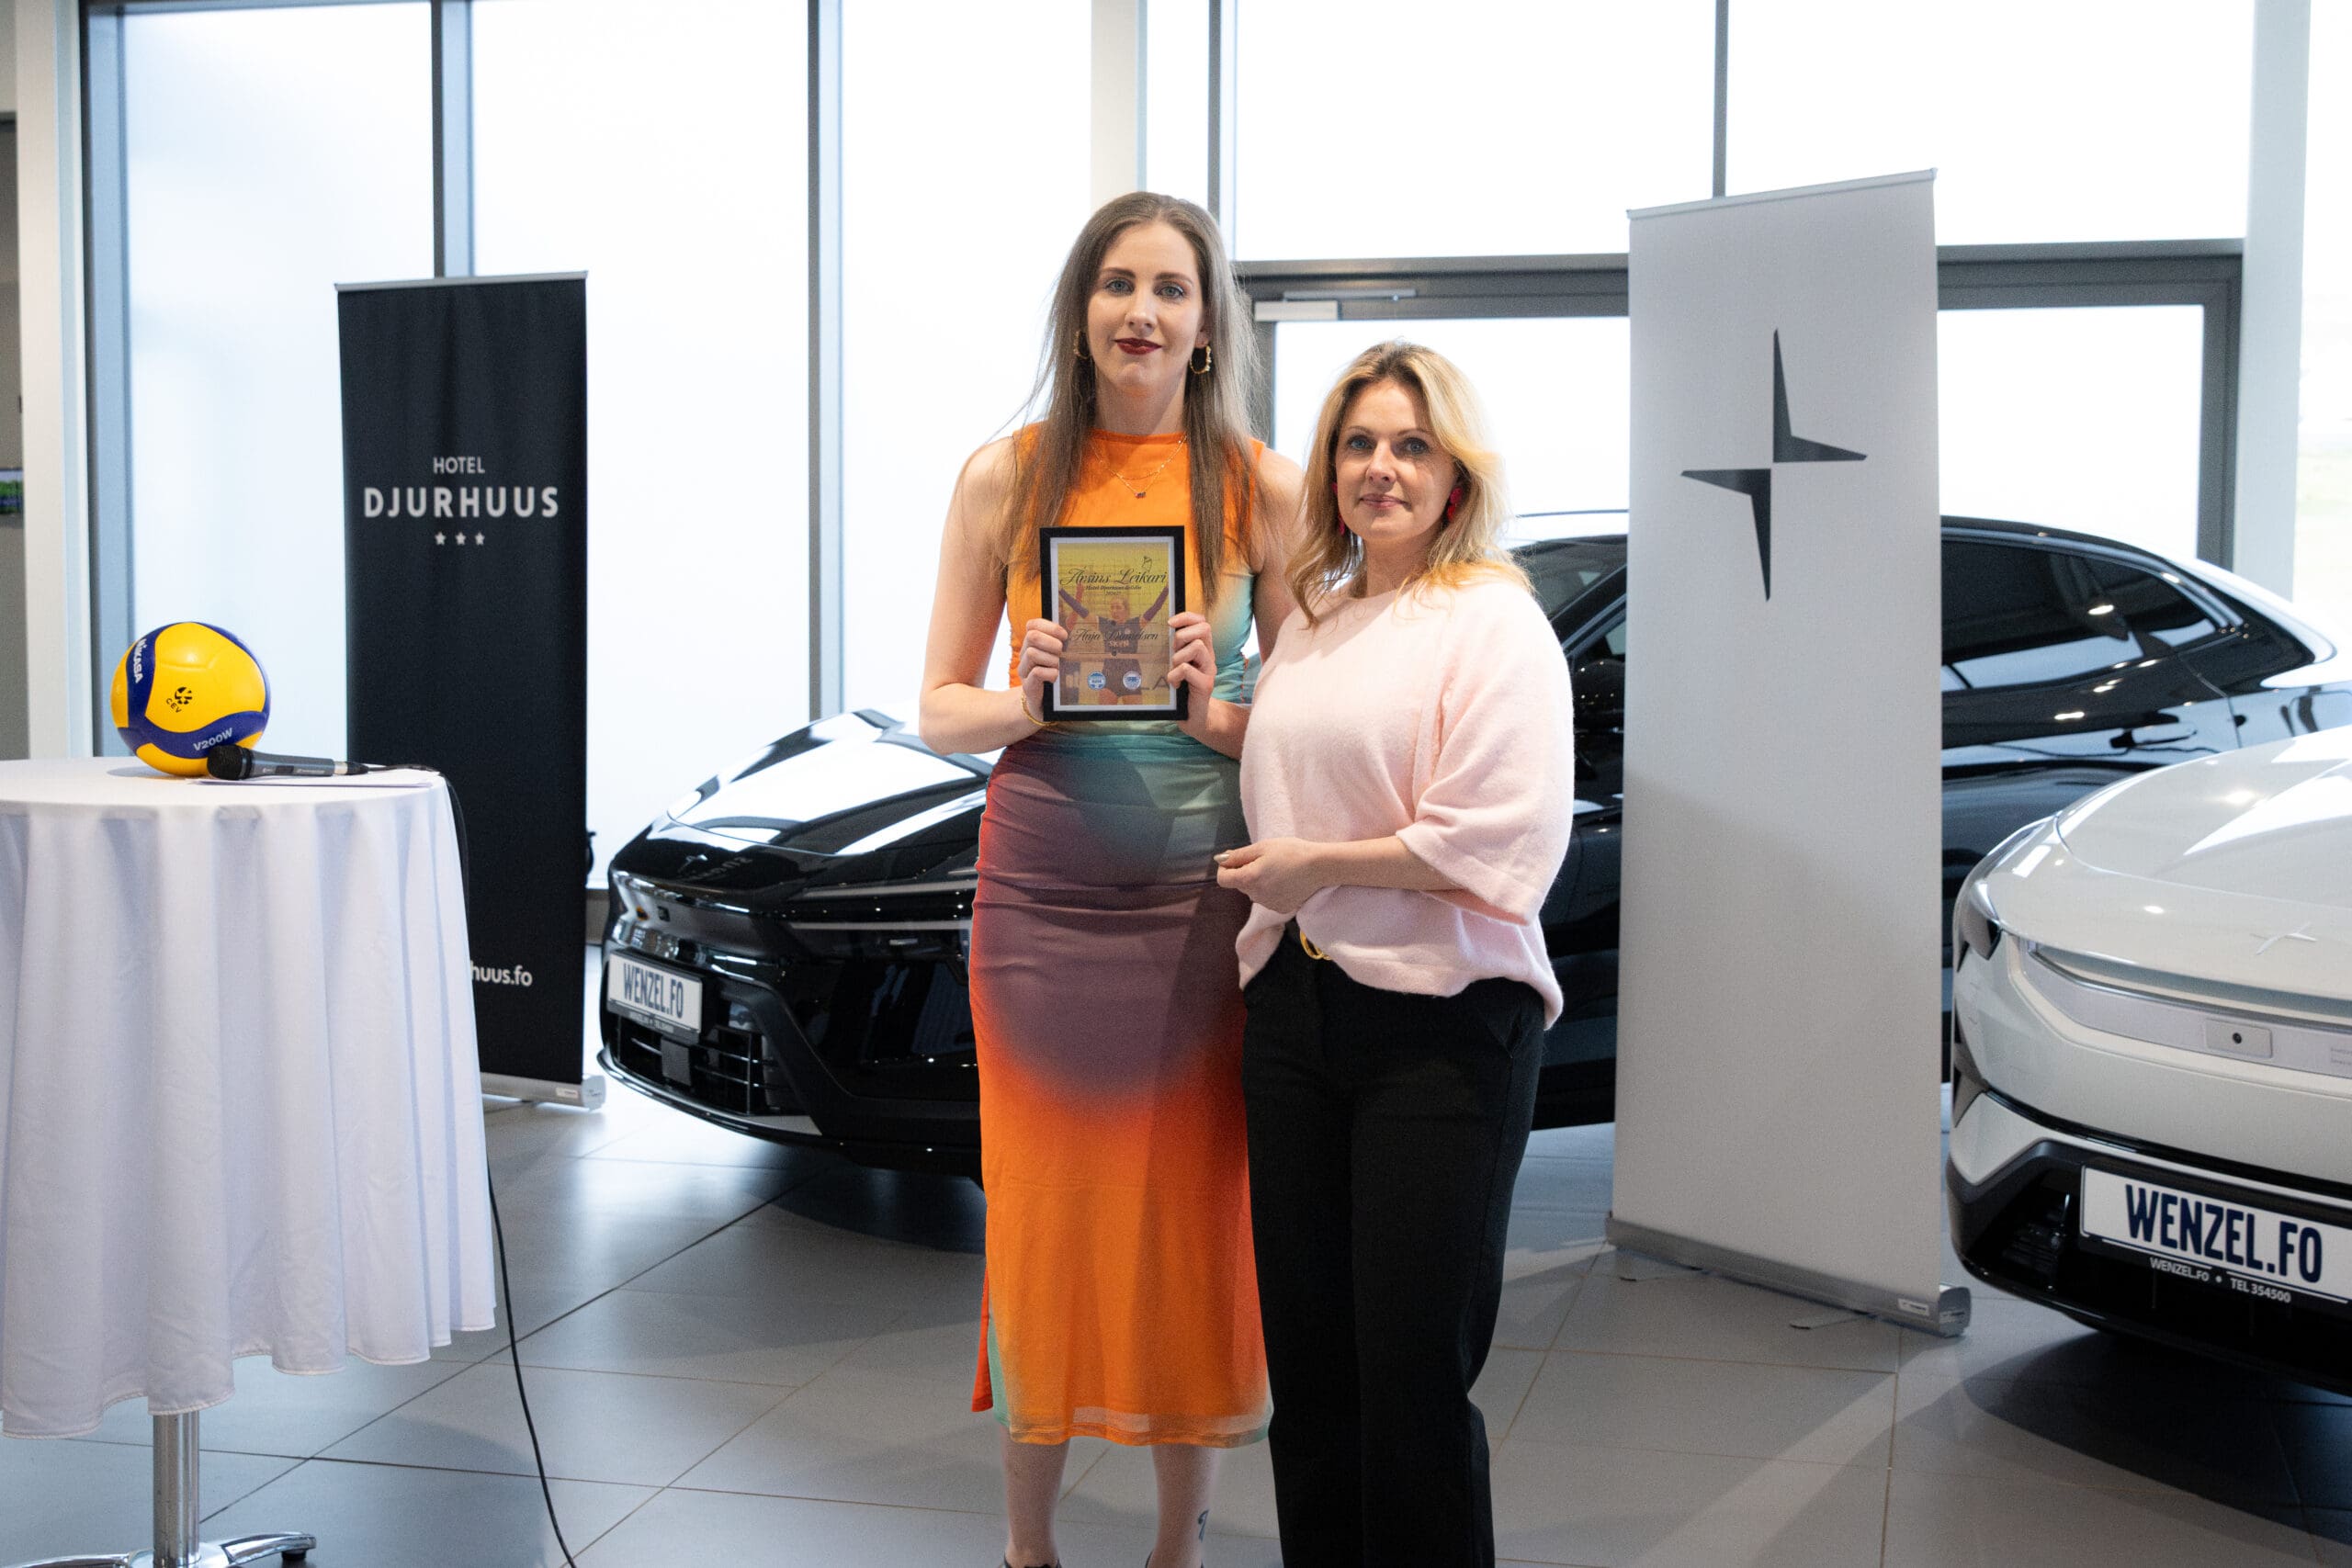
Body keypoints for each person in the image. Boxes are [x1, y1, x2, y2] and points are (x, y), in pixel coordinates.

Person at [917, 191, 1302, 1568]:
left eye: (1171, 289)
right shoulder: (1005, 478)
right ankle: (1029, 1549)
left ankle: (1174, 1551)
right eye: (1118, 284)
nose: (1143, 311)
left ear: (1207, 326)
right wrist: (1020, 704)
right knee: (1043, 1218)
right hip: (1038, 906)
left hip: (1201, 906)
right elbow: (938, 710)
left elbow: (1307, 727)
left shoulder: (1263, 488)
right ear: (1080, 312)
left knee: (1193, 1218)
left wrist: (1214, 711)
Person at [1214, 341, 1574, 1568]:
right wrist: (1203, 711)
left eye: (1412, 446)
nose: (1382, 467)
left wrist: (1316, 865)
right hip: (1296, 1012)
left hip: (1442, 1028)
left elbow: (1499, 841)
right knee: (1312, 1379)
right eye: (1359, 444)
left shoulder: (1494, 621)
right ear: (1329, 470)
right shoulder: (1317, 618)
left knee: (1412, 1381)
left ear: (1455, 475)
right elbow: (1299, 755)